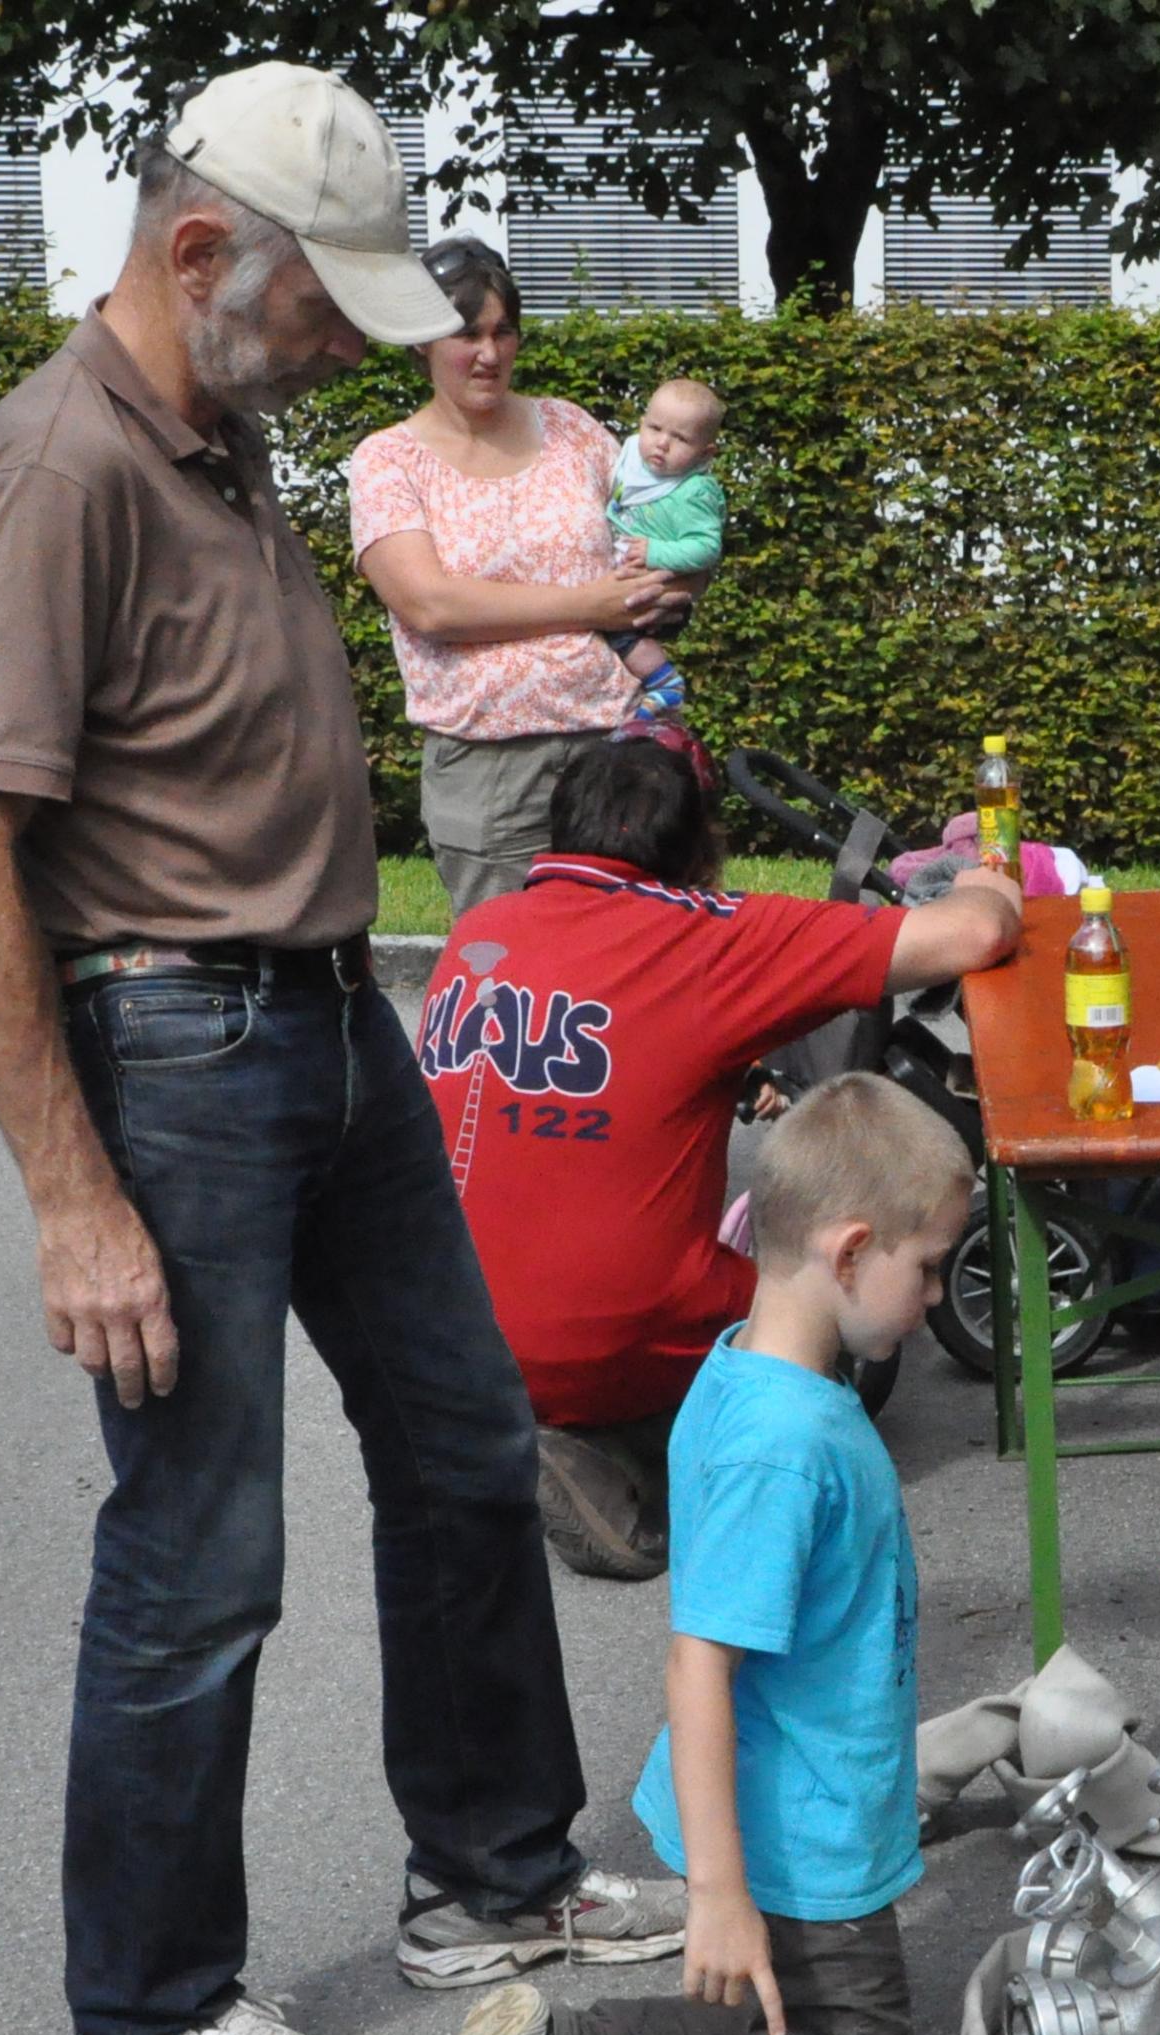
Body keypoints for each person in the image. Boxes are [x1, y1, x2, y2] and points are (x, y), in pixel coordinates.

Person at [0, 62, 686, 2035]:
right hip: (178, 1052)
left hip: (328, 1022)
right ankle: (152, 2002)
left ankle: (491, 1879)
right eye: (322, 301)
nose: (349, 342)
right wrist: (74, 1201)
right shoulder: (61, 462)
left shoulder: (221, 435)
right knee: (200, 1545)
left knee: (466, 1444)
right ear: (193, 253)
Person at [375, 1071, 978, 2035]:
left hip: (792, 1799)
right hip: (801, 1828)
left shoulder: (740, 1368)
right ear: (849, 1249)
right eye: (926, 1269)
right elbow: (700, 1661)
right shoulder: (786, 1444)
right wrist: (718, 1891)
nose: (932, 1301)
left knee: (757, 2014)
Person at [417, 722, 1021, 1580]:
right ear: (701, 848)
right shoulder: (708, 938)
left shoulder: (481, 932)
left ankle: (546, 1421)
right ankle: (626, 1458)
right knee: (831, 1312)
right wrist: (988, 876)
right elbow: (971, 935)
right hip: (600, 1334)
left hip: (449, 1335)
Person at [347, 239, 687, 912]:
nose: (489, 353)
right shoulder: (389, 461)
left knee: (633, 957)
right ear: (421, 341)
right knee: (509, 964)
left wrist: (671, 585)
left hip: (617, 749)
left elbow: (656, 532)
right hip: (491, 771)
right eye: (466, 334)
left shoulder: (570, 428)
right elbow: (431, 606)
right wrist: (591, 605)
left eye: (503, 332)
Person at [602, 377, 724, 718]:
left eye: (680, 438)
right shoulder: (629, 458)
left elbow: (707, 547)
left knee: (616, 629)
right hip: (622, 575)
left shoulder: (694, 490)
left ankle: (665, 683)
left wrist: (655, 553)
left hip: (656, 589)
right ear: (641, 424)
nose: (662, 444)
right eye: (654, 428)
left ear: (706, 453)